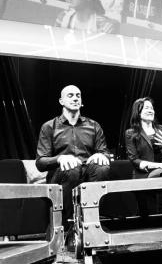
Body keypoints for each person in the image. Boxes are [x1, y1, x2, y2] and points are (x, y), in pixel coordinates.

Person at [36, 85, 111, 232]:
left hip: (88, 170)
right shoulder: (49, 127)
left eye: (78, 95)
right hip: (61, 174)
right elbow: (40, 161)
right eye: (70, 95)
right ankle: (69, 228)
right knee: (71, 169)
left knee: (102, 167)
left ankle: (92, 223)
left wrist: (101, 155)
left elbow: (105, 152)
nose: (75, 98)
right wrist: (60, 159)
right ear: (61, 101)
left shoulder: (94, 126)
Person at [124, 97, 162, 179]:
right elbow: (134, 160)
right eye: (146, 108)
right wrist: (159, 165)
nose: (150, 111)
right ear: (138, 112)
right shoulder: (131, 133)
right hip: (145, 173)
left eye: (152, 108)